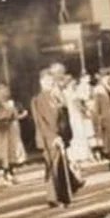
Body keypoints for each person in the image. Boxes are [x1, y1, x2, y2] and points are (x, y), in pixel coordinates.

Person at [32, 69, 74, 207]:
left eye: (51, 80)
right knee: (53, 167)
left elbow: (62, 116)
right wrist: (53, 136)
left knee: (61, 166)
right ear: (41, 82)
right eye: (48, 81)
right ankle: (53, 197)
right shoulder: (39, 99)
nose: (50, 83)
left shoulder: (54, 97)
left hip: (59, 136)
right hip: (48, 138)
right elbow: (41, 122)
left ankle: (64, 194)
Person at [0, 83, 26, 185]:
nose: (6, 93)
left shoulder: (10, 103)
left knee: (13, 151)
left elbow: (15, 115)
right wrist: (12, 116)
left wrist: (19, 115)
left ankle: (11, 173)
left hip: (13, 129)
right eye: (4, 91)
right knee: (5, 152)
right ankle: (6, 175)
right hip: (3, 130)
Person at [91, 71, 110, 168]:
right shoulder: (99, 90)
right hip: (106, 117)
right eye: (107, 78)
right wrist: (98, 119)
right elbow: (96, 107)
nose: (109, 79)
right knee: (109, 139)